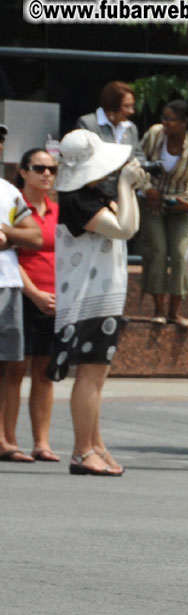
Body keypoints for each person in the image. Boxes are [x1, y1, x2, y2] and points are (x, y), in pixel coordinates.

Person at [47, 129, 147, 475]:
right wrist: (126, 186)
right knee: (89, 375)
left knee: (97, 376)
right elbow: (125, 229)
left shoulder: (91, 193)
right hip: (86, 300)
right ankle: (81, 451)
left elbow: (128, 223)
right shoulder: (77, 199)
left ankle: (95, 444)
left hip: (104, 298)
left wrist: (127, 189)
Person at [2, 148, 61, 463]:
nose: (47, 174)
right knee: (14, 369)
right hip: (21, 293)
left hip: (54, 297)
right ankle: (8, 440)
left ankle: (42, 442)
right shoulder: (14, 203)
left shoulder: (57, 210)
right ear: (23, 172)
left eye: (52, 169)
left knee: (45, 372)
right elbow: (12, 254)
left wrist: (61, 293)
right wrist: (35, 293)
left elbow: (62, 253)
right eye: (39, 168)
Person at [138, 99, 188, 327]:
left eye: (171, 119)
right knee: (158, 251)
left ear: (184, 122)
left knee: (182, 254)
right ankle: (158, 310)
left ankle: (176, 311)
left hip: (179, 203)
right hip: (152, 201)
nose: (165, 123)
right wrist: (147, 188)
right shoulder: (154, 135)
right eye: (163, 118)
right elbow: (136, 162)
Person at [73, 81, 141, 199]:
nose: (131, 111)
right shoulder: (88, 124)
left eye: (132, 106)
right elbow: (82, 160)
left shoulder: (131, 128)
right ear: (111, 106)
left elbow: (139, 155)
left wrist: (135, 165)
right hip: (94, 195)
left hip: (124, 194)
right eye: (126, 106)